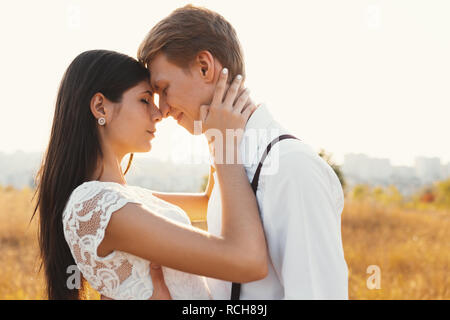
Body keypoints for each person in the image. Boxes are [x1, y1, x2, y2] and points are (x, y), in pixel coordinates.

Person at [137, 5, 349, 299]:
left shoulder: (291, 167)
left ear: (204, 67)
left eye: (164, 88)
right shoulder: (230, 158)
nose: (162, 109)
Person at [32, 49, 267, 299]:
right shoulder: (96, 205)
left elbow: (209, 202)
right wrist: (224, 145)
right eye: (145, 100)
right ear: (101, 107)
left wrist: (210, 122)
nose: (158, 114)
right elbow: (247, 261)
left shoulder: (123, 199)